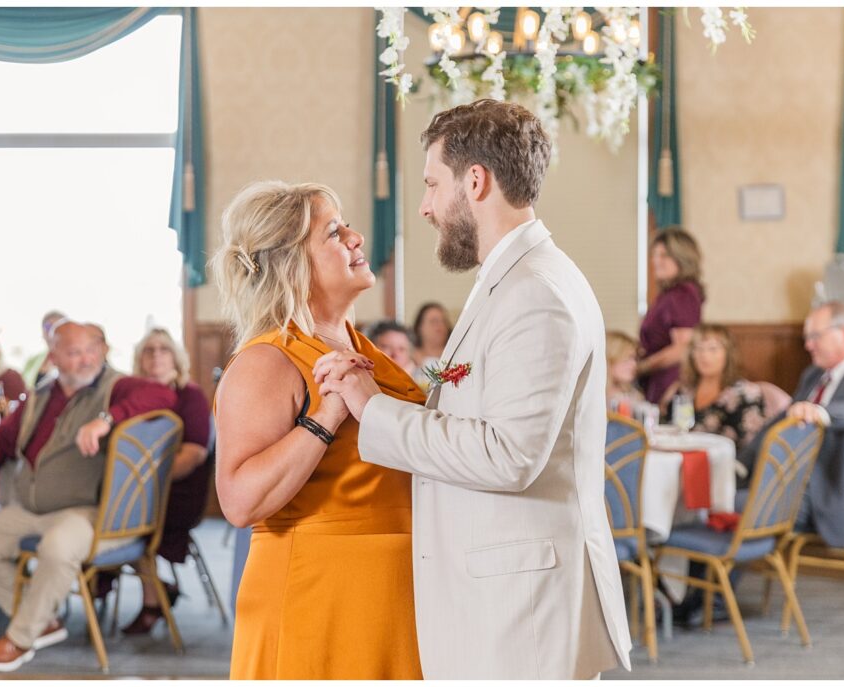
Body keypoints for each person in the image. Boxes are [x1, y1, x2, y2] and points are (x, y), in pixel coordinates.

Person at [316, 99, 631, 679]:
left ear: (476, 181)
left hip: (520, 607)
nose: (426, 206)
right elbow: (481, 394)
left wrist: (372, 408)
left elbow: (508, 455)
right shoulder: (514, 279)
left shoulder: (535, 291)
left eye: (434, 184)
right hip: (501, 591)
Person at [211, 181, 425, 679]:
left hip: (390, 593)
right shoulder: (268, 359)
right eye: (333, 232)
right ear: (294, 263)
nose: (355, 237)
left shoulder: (363, 349)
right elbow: (239, 501)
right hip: (317, 596)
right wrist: (326, 416)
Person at [0, 321, 176, 672]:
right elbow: (1, 436)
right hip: (31, 510)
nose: (86, 359)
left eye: (93, 349)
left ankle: (21, 637)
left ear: (104, 350)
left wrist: (107, 419)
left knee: (58, 548)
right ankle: (42, 619)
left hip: (86, 512)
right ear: (54, 356)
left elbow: (163, 395)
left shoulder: (115, 387)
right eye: (74, 353)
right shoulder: (41, 394)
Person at [739, 301, 844, 548]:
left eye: (815, 336)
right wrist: (741, 462)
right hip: (782, 480)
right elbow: (782, 421)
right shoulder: (813, 375)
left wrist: (817, 412)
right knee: (715, 501)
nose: (807, 345)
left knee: (729, 506)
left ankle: (711, 584)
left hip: (827, 494)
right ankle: (710, 585)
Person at [119, 327, 211, 634]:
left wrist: (145, 484)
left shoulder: (191, 395)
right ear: (139, 359)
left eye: (164, 349)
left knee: (129, 520)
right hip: (134, 488)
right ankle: (157, 587)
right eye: (149, 350)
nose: (157, 355)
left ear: (176, 357)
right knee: (101, 511)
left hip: (176, 490)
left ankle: (152, 602)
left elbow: (195, 453)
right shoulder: (132, 396)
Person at [659, 324, 768, 453]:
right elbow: (666, 430)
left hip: (727, 467)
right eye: (698, 349)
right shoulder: (683, 391)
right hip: (680, 462)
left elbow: (750, 447)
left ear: (728, 354)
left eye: (713, 349)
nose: (704, 356)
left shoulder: (746, 393)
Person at [637, 227, 704, 403]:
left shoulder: (681, 294)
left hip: (670, 381)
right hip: (660, 378)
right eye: (655, 254)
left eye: (664, 255)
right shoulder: (670, 294)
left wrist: (643, 366)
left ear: (683, 259)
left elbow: (682, 348)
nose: (656, 260)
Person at [21, 311, 66, 388]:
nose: (52, 331)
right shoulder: (32, 361)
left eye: (58, 327)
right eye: (48, 327)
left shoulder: (76, 359)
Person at [605, 330, 645, 409]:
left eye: (634, 358)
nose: (634, 364)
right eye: (627, 358)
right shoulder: (593, 398)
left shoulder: (634, 397)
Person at [411, 302, 452, 368]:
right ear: (419, 327)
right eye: (433, 321)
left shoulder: (457, 358)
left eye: (444, 321)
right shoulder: (409, 359)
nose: (440, 326)